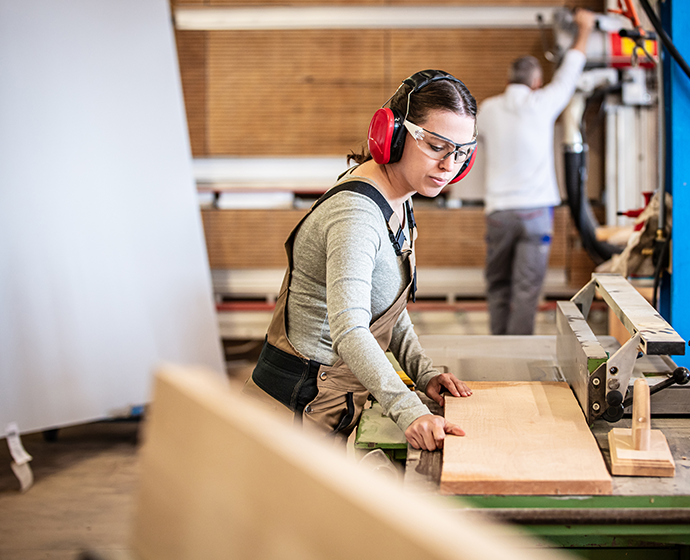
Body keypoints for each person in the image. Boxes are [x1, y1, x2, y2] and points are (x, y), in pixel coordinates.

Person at [241, 70, 476, 451]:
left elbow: (383, 304)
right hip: (291, 411)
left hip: (324, 401)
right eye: (436, 146)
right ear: (395, 136)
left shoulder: (400, 195)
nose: (450, 165)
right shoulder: (357, 216)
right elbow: (350, 328)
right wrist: (409, 409)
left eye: (462, 152)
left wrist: (423, 372)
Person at [478, 9, 595, 335]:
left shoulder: (487, 110)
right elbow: (571, 69)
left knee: (498, 285)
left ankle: (498, 351)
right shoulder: (543, 102)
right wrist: (584, 29)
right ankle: (518, 356)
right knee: (527, 291)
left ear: (508, 81)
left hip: (499, 213)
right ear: (536, 81)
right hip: (536, 214)